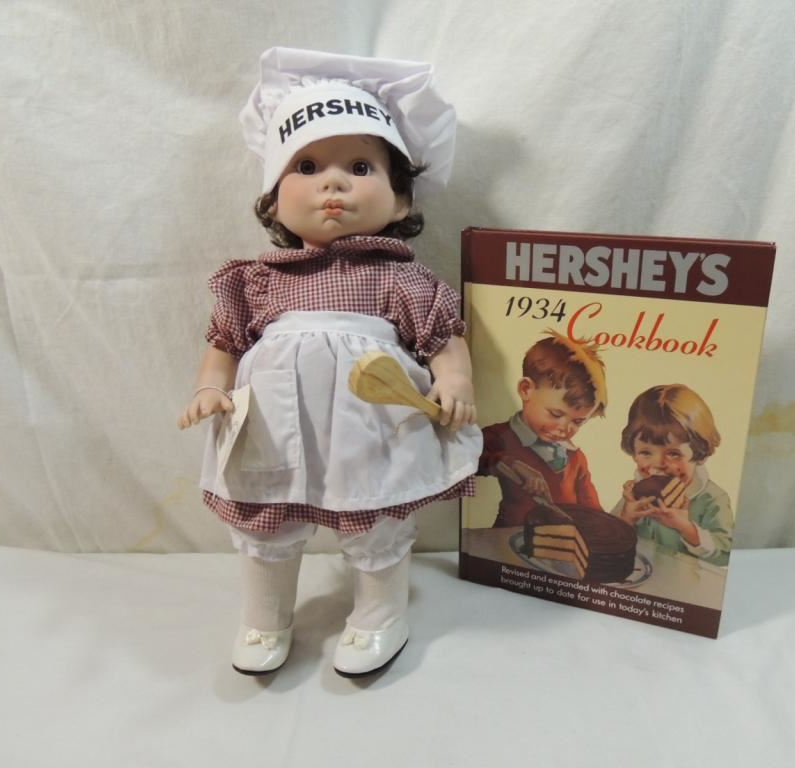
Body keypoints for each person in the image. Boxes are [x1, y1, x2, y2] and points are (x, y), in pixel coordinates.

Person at [177, 47, 481, 676]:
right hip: (269, 428)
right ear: (273, 200)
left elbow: (443, 337)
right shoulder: (257, 281)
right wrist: (210, 389)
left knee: (373, 514)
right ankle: (264, 618)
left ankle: (379, 615)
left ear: (401, 202)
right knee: (265, 518)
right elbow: (225, 344)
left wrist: (454, 381)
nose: (333, 184)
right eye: (308, 166)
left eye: (360, 167)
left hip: (369, 427)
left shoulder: (400, 279)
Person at [478, 331, 607, 528]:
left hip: (563, 542)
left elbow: (594, 512)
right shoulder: (500, 436)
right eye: (555, 414)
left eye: (578, 422)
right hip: (509, 538)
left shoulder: (575, 458)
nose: (564, 429)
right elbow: (469, 457)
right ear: (526, 389)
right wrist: (511, 464)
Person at [611, 384, 733, 567]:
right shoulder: (635, 493)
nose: (659, 464)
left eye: (674, 454)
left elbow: (726, 555)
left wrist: (686, 528)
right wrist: (626, 518)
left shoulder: (712, 499)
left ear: (698, 453)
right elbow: (608, 538)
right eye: (646, 452)